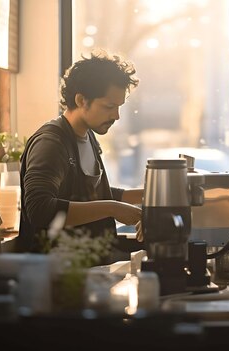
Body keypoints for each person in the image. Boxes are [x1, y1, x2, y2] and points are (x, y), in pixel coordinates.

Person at [16, 49, 143, 255]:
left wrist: (149, 195)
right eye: (109, 106)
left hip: (84, 267)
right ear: (81, 100)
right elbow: (39, 209)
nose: (117, 116)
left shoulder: (88, 136)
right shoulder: (51, 143)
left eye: (119, 107)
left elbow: (92, 196)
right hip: (54, 272)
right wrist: (112, 208)